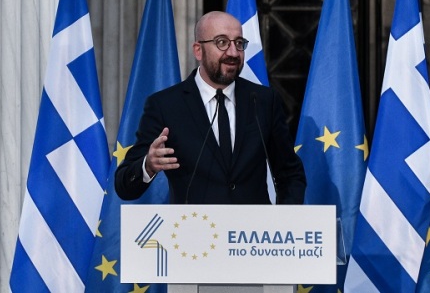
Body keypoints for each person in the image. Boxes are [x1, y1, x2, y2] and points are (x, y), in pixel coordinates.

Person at [115, 11, 306, 205]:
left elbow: (290, 173)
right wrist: (148, 165)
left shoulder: (264, 100)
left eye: (239, 43)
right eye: (222, 42)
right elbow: (124, 186)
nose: (233, 53)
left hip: (254, 225)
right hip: (193, 223)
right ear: (198, 50)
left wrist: (284, 217)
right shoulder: (165, 105)